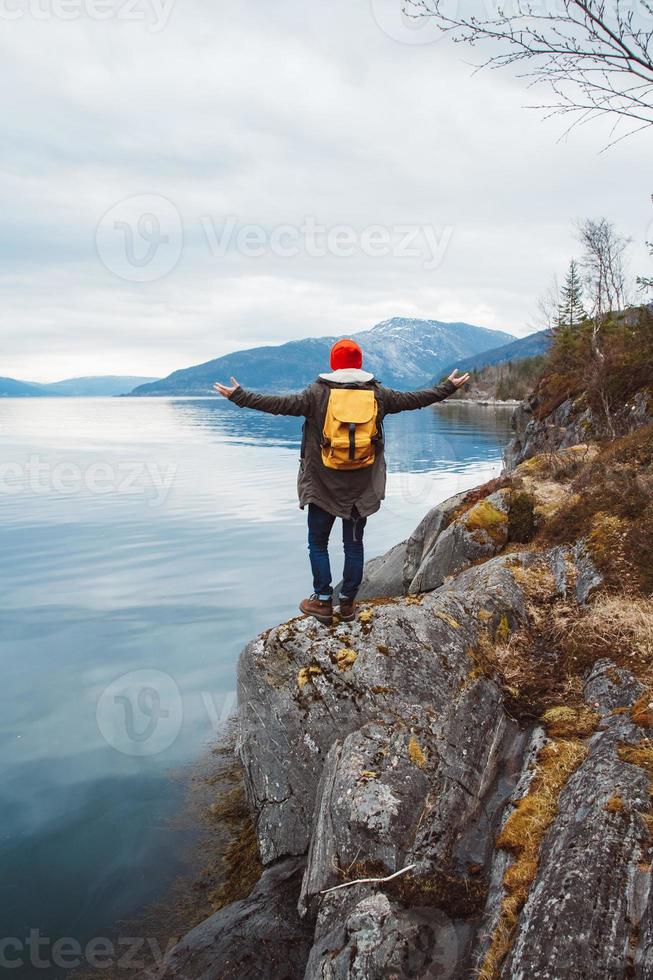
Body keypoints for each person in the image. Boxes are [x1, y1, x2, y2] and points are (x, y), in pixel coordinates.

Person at [214, 338, 469, 625]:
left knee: (318, 543)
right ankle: (347, 604)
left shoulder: (316, 393)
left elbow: (279, 405)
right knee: (354, 545)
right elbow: (416, 399)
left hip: (322, 484)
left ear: (333, 365)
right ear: (359, 363)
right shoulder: (378, 394)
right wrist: (447, 387)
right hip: (360, 488)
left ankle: (322, 600)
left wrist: (240, 396)